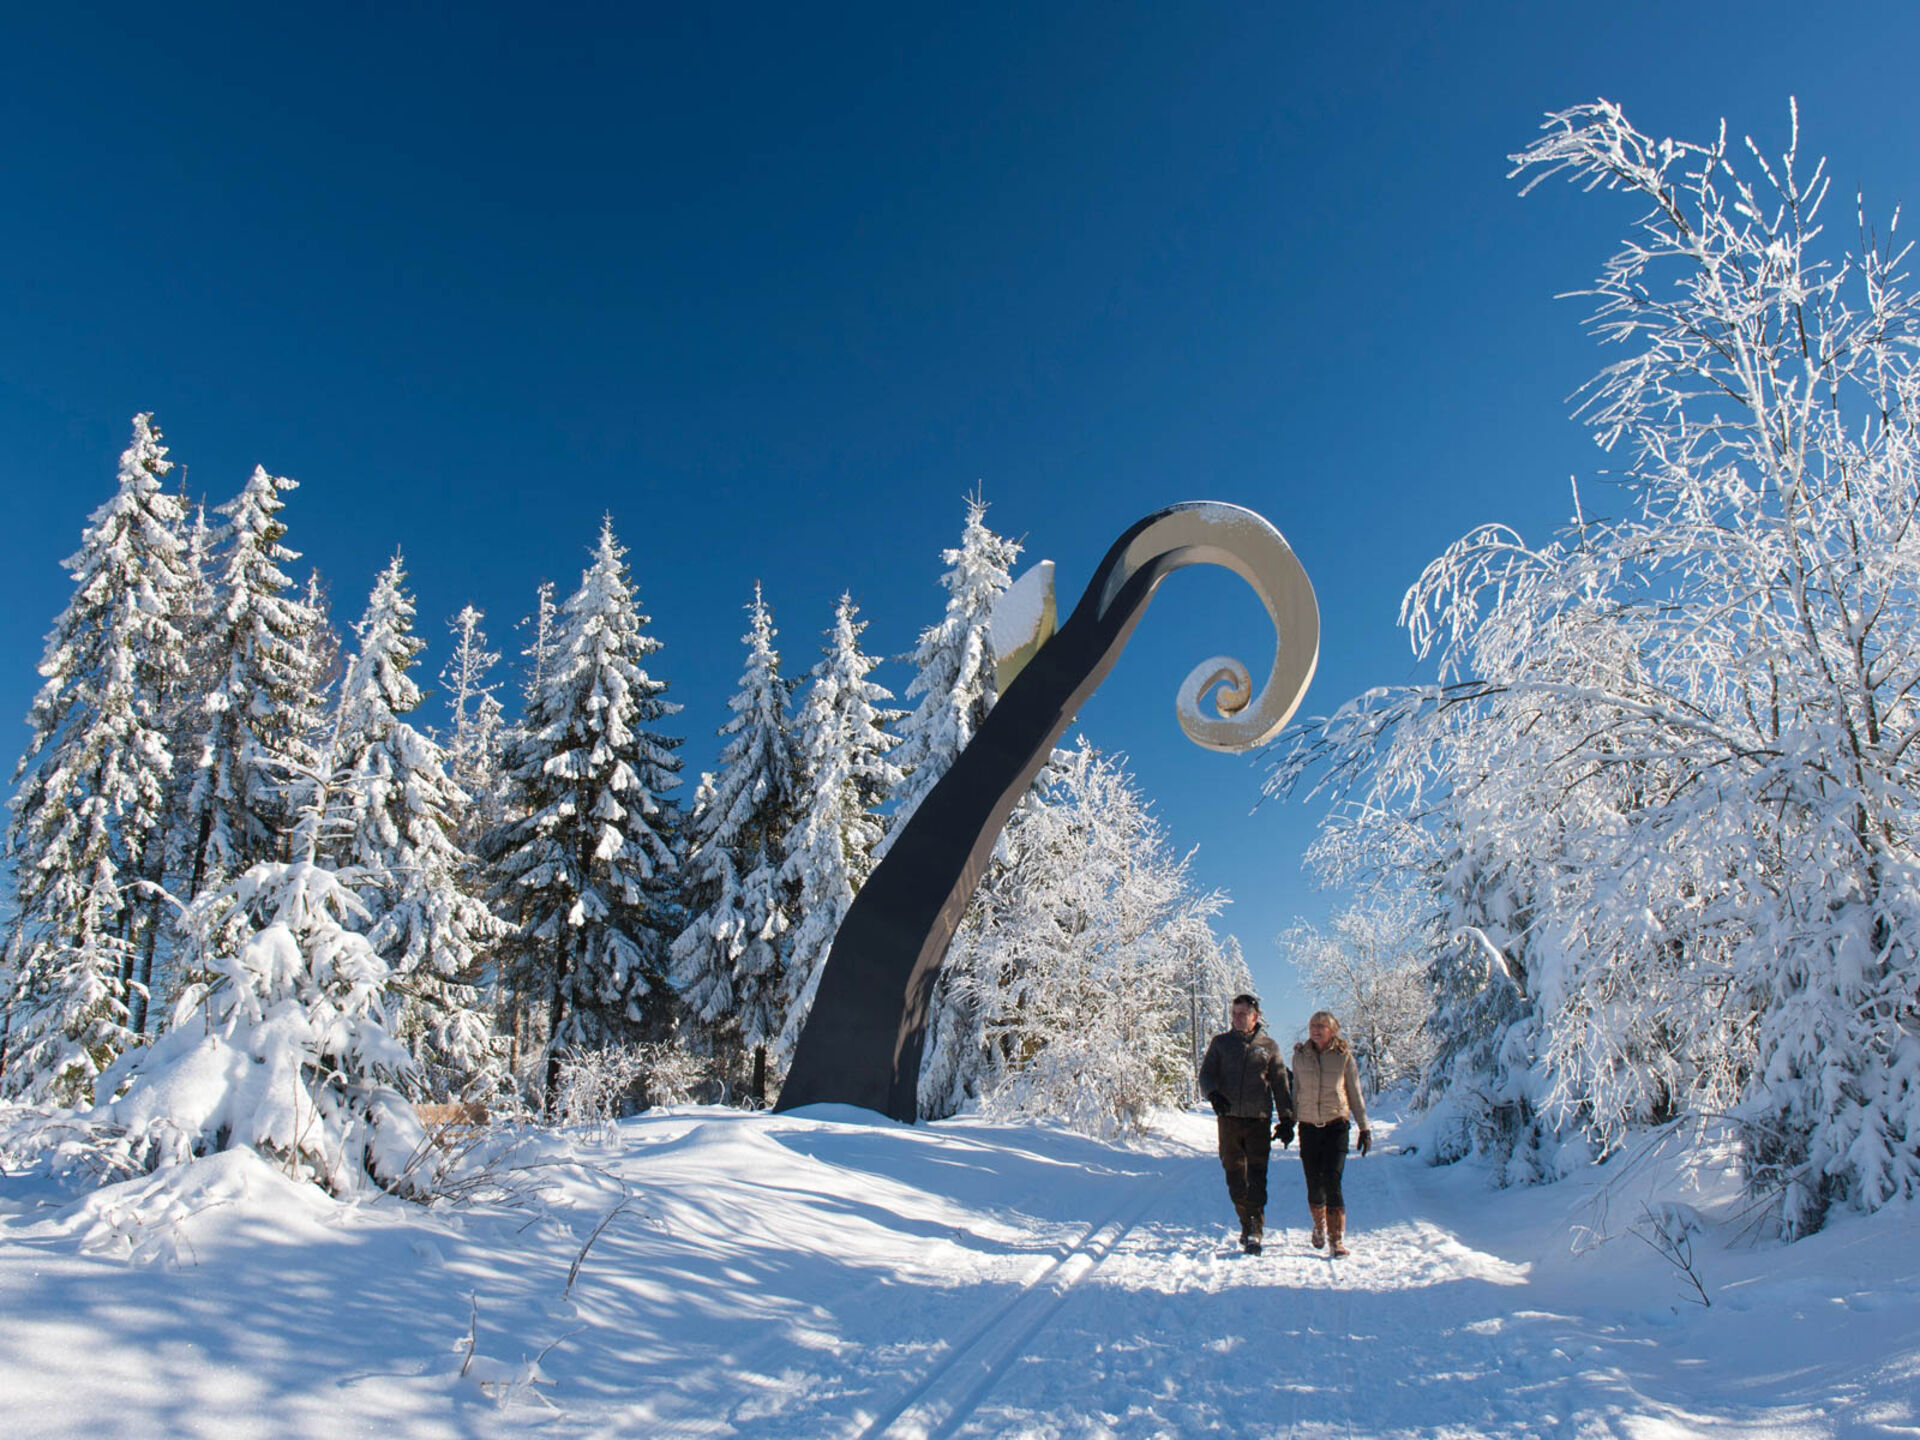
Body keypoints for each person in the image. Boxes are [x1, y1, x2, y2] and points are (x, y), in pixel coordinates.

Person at [1197, 992, 1294, 1254]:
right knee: (1234, 1176)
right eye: (1235, 1014)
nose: (1237, 1018)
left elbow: (1280, 1085)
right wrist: (1213, 1094)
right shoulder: (1221, 1044)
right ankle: (1246, 1221)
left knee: (1257, 1176)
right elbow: (1206, 1074)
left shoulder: (1269, 1047)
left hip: (1258, 1120)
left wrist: (1287, 1118)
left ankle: (1254, 1229)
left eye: (1243, 1014)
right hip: (1228, 1120)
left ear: (1256, 1016)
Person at [1290, 1009, 1371, 1257]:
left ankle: (1336, 1239)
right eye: (1313, 1025)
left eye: (1321, 1026)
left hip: (1336, 1124)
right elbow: (1296, 1093)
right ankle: (1319, 1225)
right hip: (1308, 1126)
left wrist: (1364, 1127)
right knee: (1314, 1182)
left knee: (1333, 1180)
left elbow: (1355, 1094)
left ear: (1332, 1030)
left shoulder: (1343, 1057)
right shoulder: (1300, 1056)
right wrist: (1288, 1123)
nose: (1315, 1029)